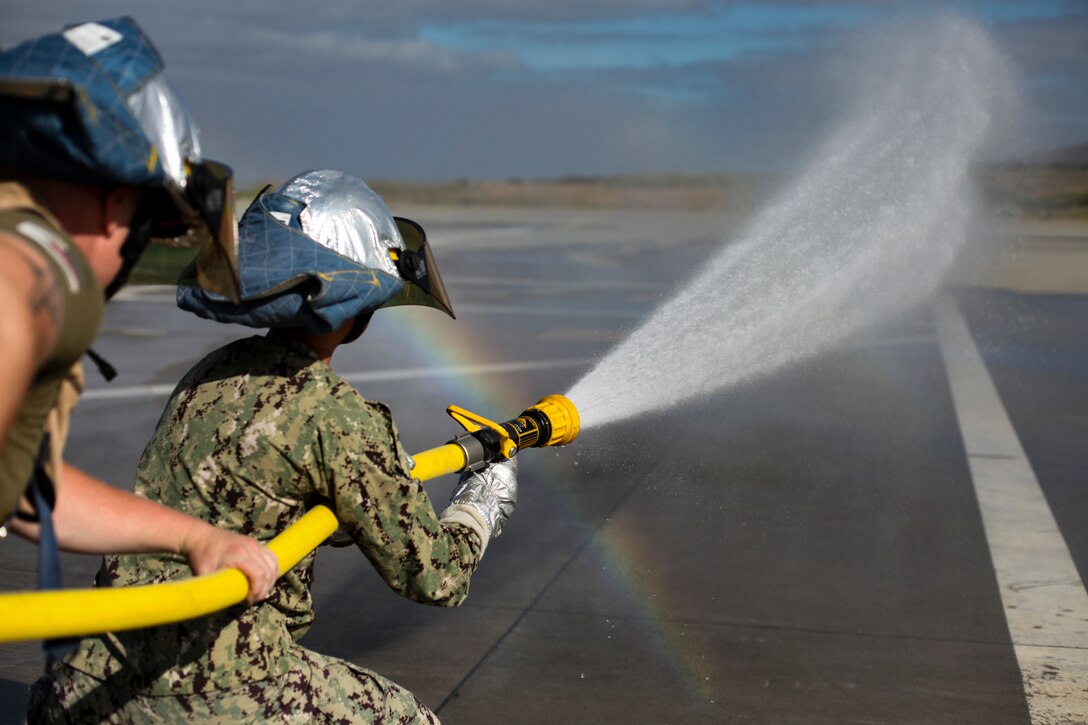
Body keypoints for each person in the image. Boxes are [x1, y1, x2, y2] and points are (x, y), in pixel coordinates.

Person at [29, 169, 520, 722]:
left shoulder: (213, 372)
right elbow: (435, 577)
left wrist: (364, 492)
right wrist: (483, 504)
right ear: (359, 315)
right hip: (207, 687)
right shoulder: (338, 418)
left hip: (90, 676)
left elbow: (249, 494)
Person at [0, 18, 277, 603]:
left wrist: (196, 538)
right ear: (117, 205)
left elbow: (21, 483)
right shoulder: (43, 264)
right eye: (143, 225)